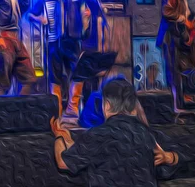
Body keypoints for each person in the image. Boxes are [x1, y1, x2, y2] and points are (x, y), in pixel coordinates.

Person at [51, 78, 182, 187]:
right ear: (133, 106)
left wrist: (59, 137)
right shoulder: (147, 134)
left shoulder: (98, 135)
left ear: (106, 105)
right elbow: (164, 170)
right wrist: (171, 157)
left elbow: (63, 163)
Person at [31, 0, 91, 117]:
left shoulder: (75, 0)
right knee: (54, 76)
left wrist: (85, 19)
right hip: (54, 42)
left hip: (72, 42)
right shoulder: (46, 0)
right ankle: (56, 109)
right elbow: (30, 15)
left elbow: (86, 17)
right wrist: (41, 19)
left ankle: (73, 107)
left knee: (77, 73)